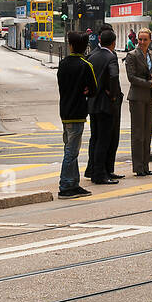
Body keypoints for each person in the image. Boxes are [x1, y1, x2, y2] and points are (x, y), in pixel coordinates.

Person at [56, 30, 96, 199]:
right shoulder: (85, 65)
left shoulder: (63, 64)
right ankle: (65, 186)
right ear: (85, 47)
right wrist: (84, 90)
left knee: (70, 149)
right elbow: (93, 89)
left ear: (71, 45)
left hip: (64, 111)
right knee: (72, 152)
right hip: (78, 112)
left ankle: (74, 183)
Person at [85, 27, 124, 185]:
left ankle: (95, 170)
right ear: (114, 43)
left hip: (93, 103)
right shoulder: (111, 57)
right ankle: (100, 174)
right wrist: (113, 94)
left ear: (100, 40)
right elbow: (114, 76)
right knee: (105, 139)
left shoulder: (92, 55)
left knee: (95, 138)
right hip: (106, 104)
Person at [125, 28, 152, 176]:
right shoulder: (131, 55)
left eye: (145, 39)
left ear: (150, 40)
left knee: (148, 132)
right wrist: (148, 84)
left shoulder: (151, 55)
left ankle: (145, 165)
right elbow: (131, 77)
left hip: (151, 96)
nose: (142, 42)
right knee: (138, 134)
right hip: (137, 97)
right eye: (140, 39)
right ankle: (138, 167)